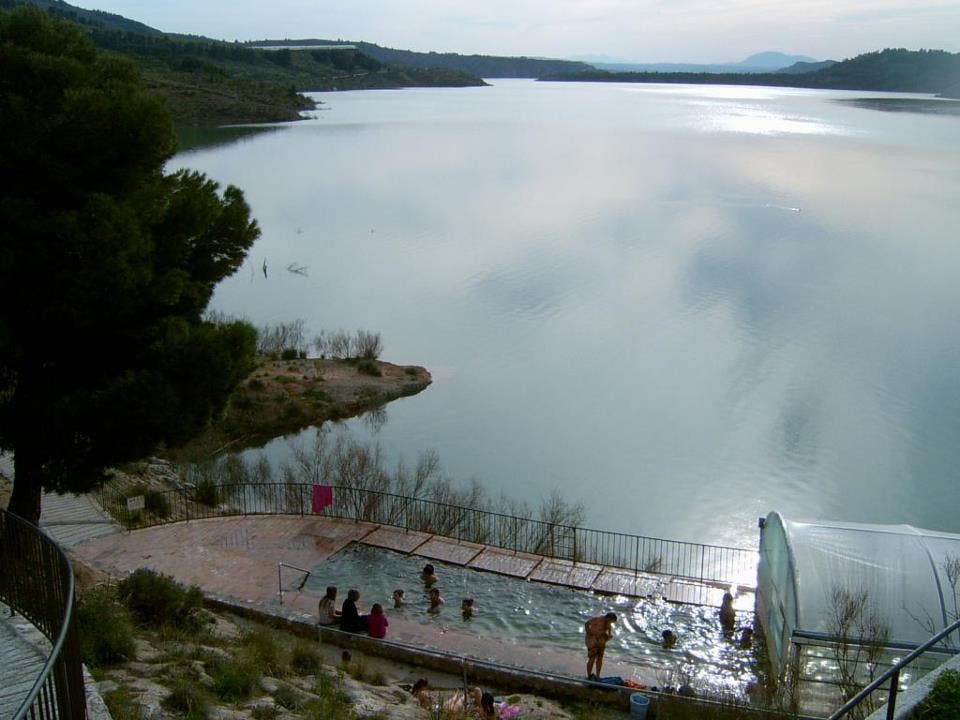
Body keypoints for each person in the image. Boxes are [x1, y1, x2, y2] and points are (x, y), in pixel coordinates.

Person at [584, 612, 617, 679]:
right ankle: (589, 675)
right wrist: (589, 633)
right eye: (611, 621)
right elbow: (587, 623)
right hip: (592, 641)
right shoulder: (597, 619)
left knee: (599, 659)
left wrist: (608, 637)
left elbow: (608, 634)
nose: (611, 623)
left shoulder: (608, 624)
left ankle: (598, 675)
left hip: (601, 642)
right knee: (592, 658)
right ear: (608, 618)